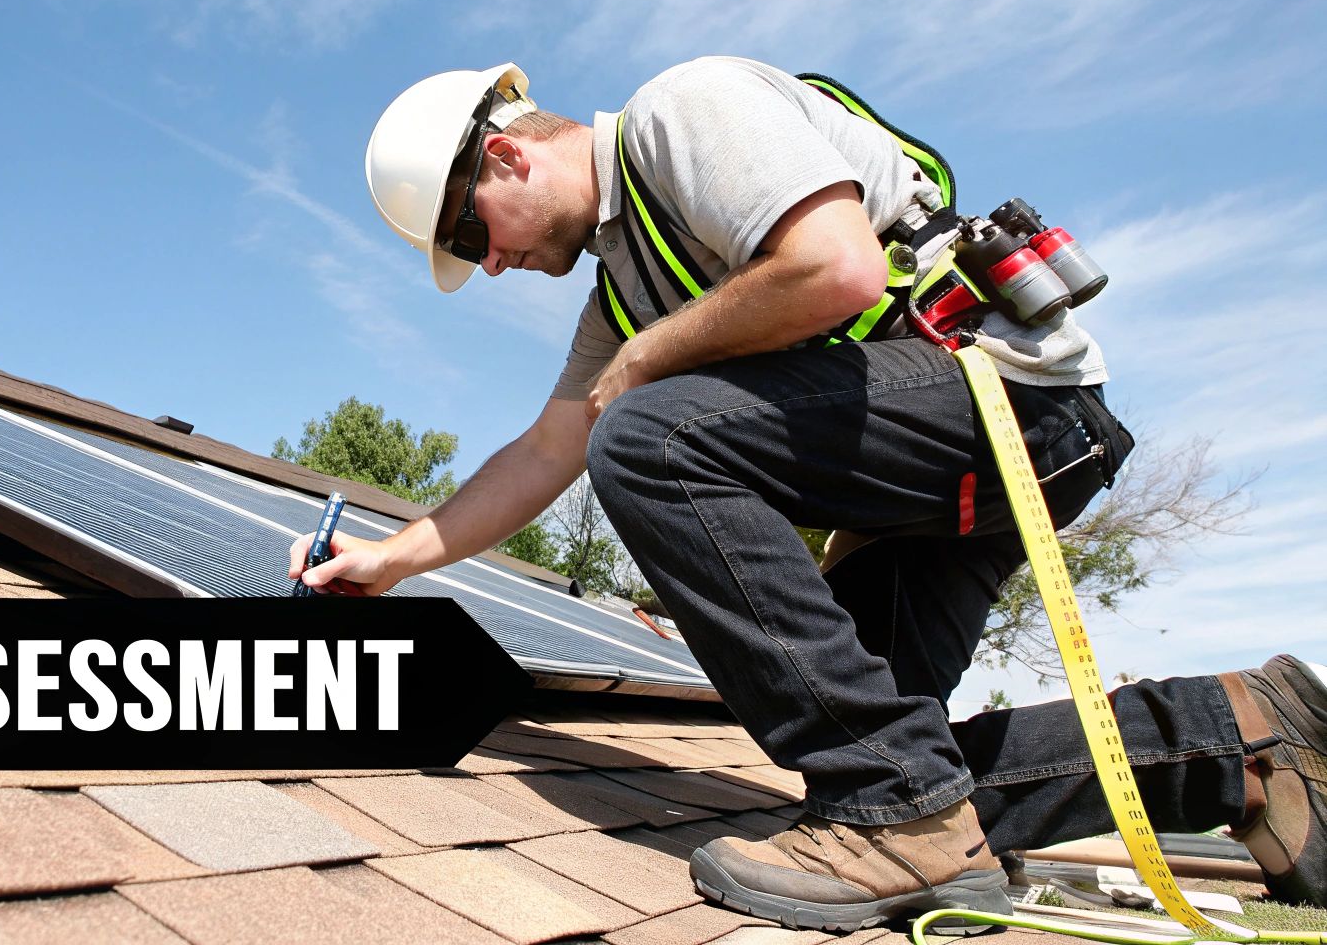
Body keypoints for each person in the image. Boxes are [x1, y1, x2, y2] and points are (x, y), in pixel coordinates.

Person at [290, 57, 1325, 929]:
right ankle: (1239, 745)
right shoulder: (624, 292)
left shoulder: (680, 110)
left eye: (470, 237)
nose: (490, 267)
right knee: (892, 753)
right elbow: (542, 451)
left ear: (505, 157)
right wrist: (390, 560)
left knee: (646, 438)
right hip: (928, 478)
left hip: (1009, 405)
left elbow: (835, 270)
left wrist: (647, 362)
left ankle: (897, 812)